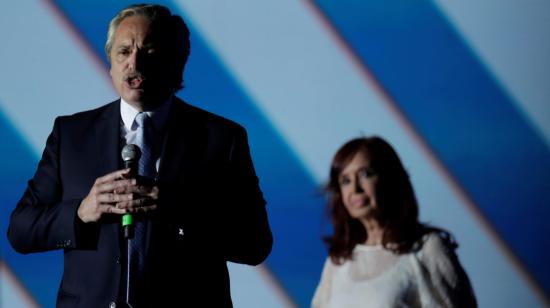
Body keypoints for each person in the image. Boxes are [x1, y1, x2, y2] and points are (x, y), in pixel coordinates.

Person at [7, 4, 272, 308]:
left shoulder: (221, 138)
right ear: (110, 63)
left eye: (149, 51)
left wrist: (178, 210)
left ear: (176, 63)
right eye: (123, 52)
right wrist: (81, 212)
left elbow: (256, 243)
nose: (134, 63)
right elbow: (20, 230)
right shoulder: (71, 134)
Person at [312, 137, 476, 308]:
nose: (355, 189)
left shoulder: (427, 249)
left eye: (365, 174)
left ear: (389, 179)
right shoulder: (338, 261)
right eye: (345, 180)